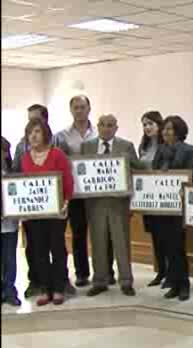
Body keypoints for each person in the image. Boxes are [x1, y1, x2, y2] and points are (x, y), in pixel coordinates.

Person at [55, 95, 115, 288]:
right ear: (71, 110)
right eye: (76, 108)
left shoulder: (99, 133)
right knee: (79, 233)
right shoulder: (62, 135)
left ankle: (107, 271)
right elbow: (59, 163)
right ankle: (81, 273)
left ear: (89, 108)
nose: (79, 111)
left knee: (103, 232)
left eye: (83, 107)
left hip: (97, 191)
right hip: (75, 192)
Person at [82, 115, 140, 297]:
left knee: (121, 242)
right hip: (95, 202)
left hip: (118, 202)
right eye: (103, 125)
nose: (106, 128)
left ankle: (126, 281)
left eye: (110, 125)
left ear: (116, 128)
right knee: (97, 241)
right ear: (97, 127)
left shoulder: (126, 146)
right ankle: (99, 280)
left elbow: (137, 168)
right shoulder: (87, 146)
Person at [21, 118, 73, 306]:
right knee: (39, 251)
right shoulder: (26, 157)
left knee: (57, 249)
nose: (33, 136)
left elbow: (67, 181)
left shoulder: (57, 154)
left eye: (37, 132)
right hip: (35, 215)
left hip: (56, 213)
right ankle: (44, 288)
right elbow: (24, 186)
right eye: (30, 132)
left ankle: (59, 288)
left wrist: (66, 203)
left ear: (45, 134)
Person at [151, 115, 193, 301]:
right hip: (162, 206)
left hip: (179, 206)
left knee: (178, 247)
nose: (165, 132)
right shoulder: (160, 150)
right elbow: (153, 172)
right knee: (168, 247)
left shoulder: (188, 150)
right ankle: (173, 283)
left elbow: (189, 173)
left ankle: (184, 284)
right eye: (164, 129)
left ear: (178, 130)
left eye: (169, 129)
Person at [14, 104, 50, 298]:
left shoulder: (57, 142)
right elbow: (15, 172)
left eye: (35, 119)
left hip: (52, 207)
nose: (31, 124)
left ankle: (57, 281)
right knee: (33, 246)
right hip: (29, 205)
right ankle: (35, 281)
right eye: (29, 119)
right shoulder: (21, 145)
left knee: (54, 245)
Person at [136, 111, 167, 288]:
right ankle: (160, 271)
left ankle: (169, 272)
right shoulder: (143, 146)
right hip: (148, 199)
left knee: (165, 236)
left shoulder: (165, 146)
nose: (147, 127)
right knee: (155, 236)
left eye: (150, 124)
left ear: (159, 125)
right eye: (144, 124)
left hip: (163, 199)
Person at [1, 136, 21, 307]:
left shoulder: (12, 173)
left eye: (4, 150)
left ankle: (9, 290)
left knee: (10, 259)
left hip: (10, 226)